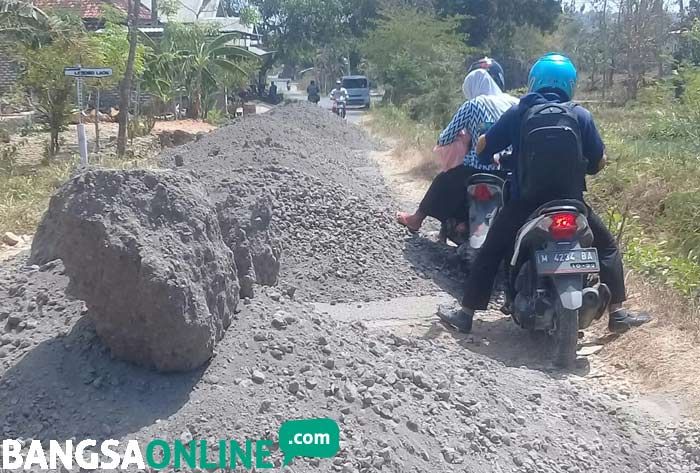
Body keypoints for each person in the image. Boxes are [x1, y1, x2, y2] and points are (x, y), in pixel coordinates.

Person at [438, 53, 651, 334]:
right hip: (572, 203)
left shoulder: (519, 112)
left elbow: (485, 148)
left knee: (491, 249)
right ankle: (618, 313)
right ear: (570, 84)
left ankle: (465, 314)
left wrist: (491, 154)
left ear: (534, 81)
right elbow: (598, 161)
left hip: (525, 202)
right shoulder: (580, 114)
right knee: (607, 248)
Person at [396, 65, 518, 232]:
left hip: (475, 170)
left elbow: (444, 138)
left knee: (443, 181)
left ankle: (416, 219)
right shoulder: (514, 103)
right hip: (508, 172)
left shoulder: (473, 104)